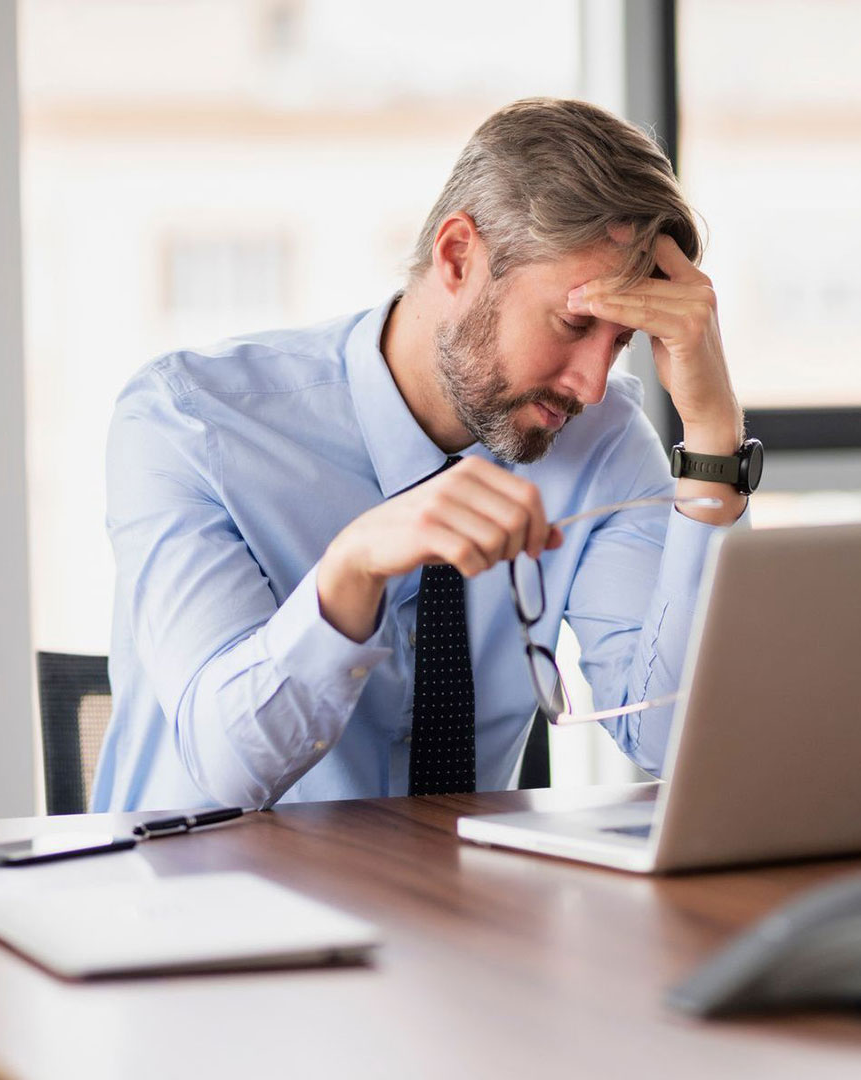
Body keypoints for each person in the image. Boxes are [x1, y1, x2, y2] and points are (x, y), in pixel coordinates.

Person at [90, 97, 762, 812]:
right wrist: (350, 572)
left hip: (461, 909)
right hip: (199, 901)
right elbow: (226, 769)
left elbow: (671, 739)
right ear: (457, 256)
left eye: (622, 341)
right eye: (574, 324)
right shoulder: (188, 421)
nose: (592, 385)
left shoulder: (600, 439)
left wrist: (713, 436)